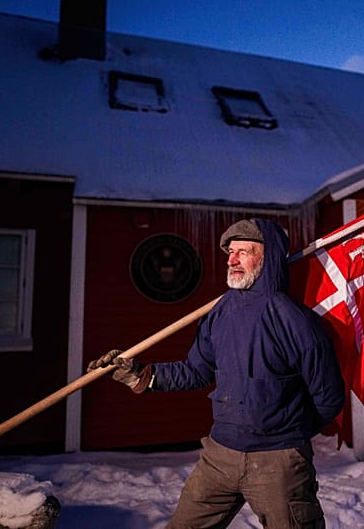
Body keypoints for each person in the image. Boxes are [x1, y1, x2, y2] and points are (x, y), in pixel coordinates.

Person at [87, 218, 346, 529]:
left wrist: (286, 435)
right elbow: (196, 371)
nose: (232, 260)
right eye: (230, 252)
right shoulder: (219, 313)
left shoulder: (297, 322)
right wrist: (137, 375)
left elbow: (329, 398)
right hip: (219, 456)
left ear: (268, 257)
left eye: (243, 252)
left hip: (278, 464)